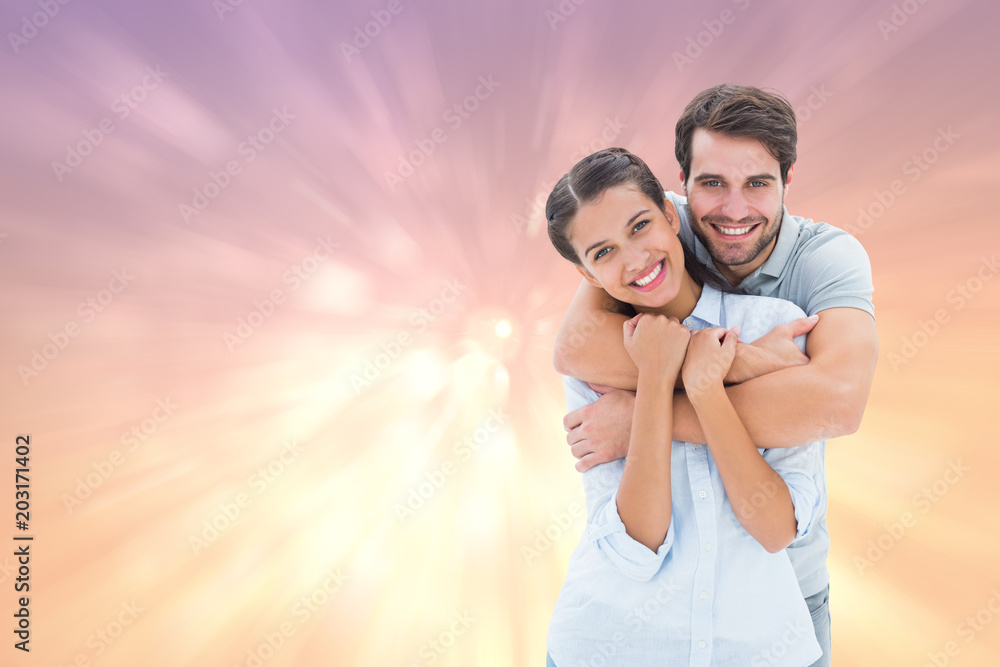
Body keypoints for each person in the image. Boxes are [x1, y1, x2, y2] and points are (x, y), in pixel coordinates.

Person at [552, 85, 878, 665]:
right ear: (680, 191)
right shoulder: (643, 227)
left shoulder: (820, 265)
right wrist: (744, 362)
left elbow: (836, 403)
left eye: (757, 183)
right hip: (625, 635)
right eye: (710, 184)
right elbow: (576, 351)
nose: (732, 209)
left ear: (788, 179)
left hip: (781, 597)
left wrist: (647, 414)